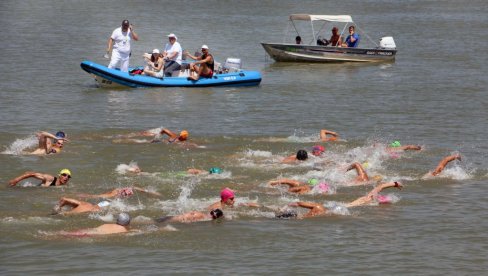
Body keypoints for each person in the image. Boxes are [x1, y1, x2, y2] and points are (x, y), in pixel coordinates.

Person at [59, 213, 131, 236]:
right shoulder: (123, 230)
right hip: (93, 235)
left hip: (91, 231)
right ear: (127, 222)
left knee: (70, 233)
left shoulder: (108, 224)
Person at [78, 186, 161, 199]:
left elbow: (134, 187)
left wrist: (150, 192)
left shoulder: (117, 191)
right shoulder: (114, 195)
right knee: (95, 196)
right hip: (104, 197)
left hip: (114, 192)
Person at [156, 209, 223, 224]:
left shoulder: (199, 212)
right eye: (212, 215)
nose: (211, 216)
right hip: (173, 220)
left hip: (172, 217)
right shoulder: (202, 217)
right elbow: (187, 221)